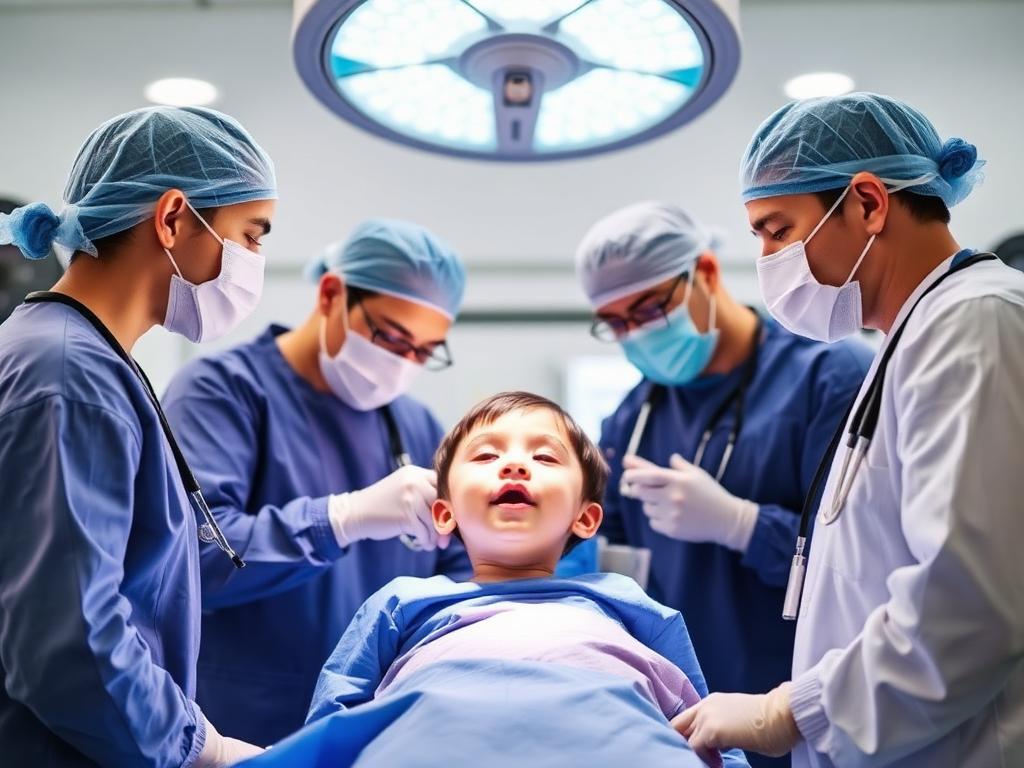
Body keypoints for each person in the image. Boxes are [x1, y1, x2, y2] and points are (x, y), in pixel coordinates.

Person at [673, 92, 1024, 767]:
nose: (768, 260)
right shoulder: (911, 337)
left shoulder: (976, 325)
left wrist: (789, 713)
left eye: (778, 230)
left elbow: (967, 611)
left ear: (867, 203)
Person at [233, 391, 749, 768]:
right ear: (443, 513)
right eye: (486, 455)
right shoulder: (405, 601)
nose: (515, 465)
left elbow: (705, 722)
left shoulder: (625, 601)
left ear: (586, 518)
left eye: (544, 457)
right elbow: (334, 715)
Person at [0, 106, 277, 766]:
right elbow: (70, 641)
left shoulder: (82, 359)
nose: (255, 261)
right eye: (251, 234)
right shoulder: (67, 375)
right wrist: (199, 749)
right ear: (174, 217)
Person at [574, 202, 872, 768]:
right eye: (615, 324)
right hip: (680, 726)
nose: (634, 334)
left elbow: (860, 565)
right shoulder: (632, 418)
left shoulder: (830, 376)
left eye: (647, 309)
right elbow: (611, 565)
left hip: (802, 713)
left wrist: (742, 525)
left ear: (706, 272)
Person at [161, 219, 472, 745]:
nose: (403, 364)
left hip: (383, 733)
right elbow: (195, 557)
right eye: (392, 337)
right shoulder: (222, 392)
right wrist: (340, 519)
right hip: (249, 732)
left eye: (424, 351)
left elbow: (462, 565)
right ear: (331, 294)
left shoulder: (415, 424)